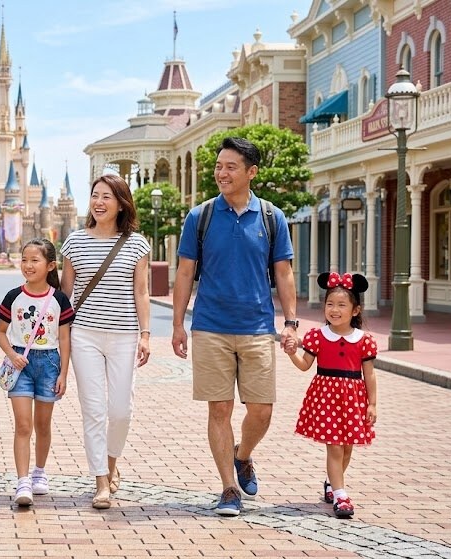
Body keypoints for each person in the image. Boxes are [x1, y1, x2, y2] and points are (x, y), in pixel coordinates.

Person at [170, 136, 298, 517]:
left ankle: (243, 455)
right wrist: (178, 323)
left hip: (258, 326)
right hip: (210, 325)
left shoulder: (273, 217)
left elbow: (284, 272)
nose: (221, 173)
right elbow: (185, 272)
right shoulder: (201, 216)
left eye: (230, 167)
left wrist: (290, 322)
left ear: (251, 172)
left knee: (262, 410)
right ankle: (228, 487)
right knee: (219, 408)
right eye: (218, 166)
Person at [60, 174, 151, 509]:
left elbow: (141, 292)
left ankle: (112, 464)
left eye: (106, 197)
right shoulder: (74, 242)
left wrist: (145, 334)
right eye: (95, 196)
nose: (98, 202)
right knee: (94, 410)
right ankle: (100, 479)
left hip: (125, 335)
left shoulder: (137, 244)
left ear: (121, 203)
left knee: (121, 410)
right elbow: (65, 295)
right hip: (84, 334)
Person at [284, 272, 377, 519]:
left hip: (353, 399)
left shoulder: (363, 341)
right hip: (325, 398)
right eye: (330, 304)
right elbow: (305, 365)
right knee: (335, 449)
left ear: (355, 311)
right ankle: (341, 495)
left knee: (347, 450)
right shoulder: (318, 336)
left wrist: (372, 404)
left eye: (341, 305)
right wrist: (291, 352)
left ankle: (331, 482)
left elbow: (369, 375)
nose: (334, 310)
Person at [0, 238, 74, 506]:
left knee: (42, 425)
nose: (28, 265)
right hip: (22, 366)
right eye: (24, 260)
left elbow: (64, 339)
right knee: (23, 425)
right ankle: (22, 481)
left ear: (51, 265)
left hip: (49, 364)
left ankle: (39, 472)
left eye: (35, 260)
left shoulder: (59, 299)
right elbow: (0, 332)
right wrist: (12, 355)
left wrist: (63, 373)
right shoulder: (13, 296)